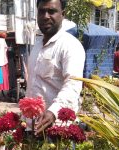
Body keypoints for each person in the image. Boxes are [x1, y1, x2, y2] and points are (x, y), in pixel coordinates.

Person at [27, 0, 85, 135]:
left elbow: (73, 84)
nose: (46, 16)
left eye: (51, 11)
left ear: (62, 14)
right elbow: (33, 86)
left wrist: (53, 112)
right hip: (33, 127)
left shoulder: (70, 45)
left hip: (57, 129)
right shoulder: (37, 45)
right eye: (41, 11)